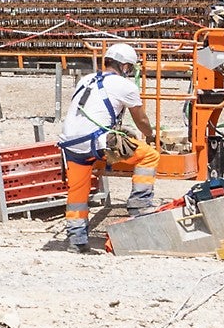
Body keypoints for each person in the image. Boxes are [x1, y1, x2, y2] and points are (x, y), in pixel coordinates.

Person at [55, 41, 156, 252]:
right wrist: (151, 135)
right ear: (125, 66)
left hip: (71, 144)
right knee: (149, 155)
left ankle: (77, 241)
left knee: (77, 193)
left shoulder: (86, 79)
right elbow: (141, 120)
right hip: (96, 141)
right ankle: (140, 205)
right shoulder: (125, 86)